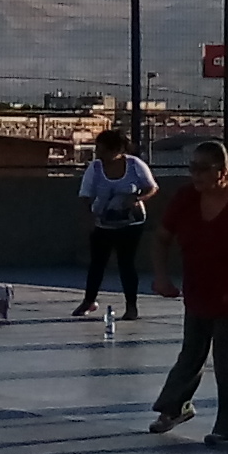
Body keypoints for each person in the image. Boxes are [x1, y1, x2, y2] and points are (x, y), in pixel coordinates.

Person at [150, 141, 228, 446]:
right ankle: (175, 408)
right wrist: (161, 276)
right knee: (192, 351)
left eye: (203, 168)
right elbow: (162, 237)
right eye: (192, 167)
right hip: (200, 287)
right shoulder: (185, 199)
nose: (195, 174)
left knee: (225, 355)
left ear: (221, 171)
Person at [74, 126, 157, 319]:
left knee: (126, 263)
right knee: (97, 263)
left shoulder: (135, 165)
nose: (99, 154)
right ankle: (89, 301)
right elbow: (85, 195)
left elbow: (152, 187)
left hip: (131, 222)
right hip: (103, 222)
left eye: (103, 150)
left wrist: (137, 199)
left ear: (117, 150)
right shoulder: (95, 168)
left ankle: (131, 306)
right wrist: (90, 217)